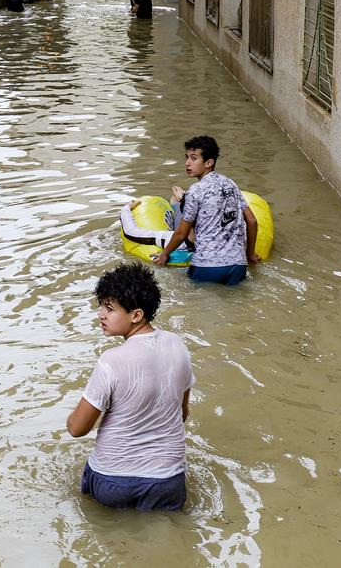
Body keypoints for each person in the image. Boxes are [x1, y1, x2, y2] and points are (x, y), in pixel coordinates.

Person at [67, 263, 194, 512]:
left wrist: (71, 418)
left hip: (113, 481)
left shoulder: (111, 360)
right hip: (168, 482)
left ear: (136, 315)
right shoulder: (178, 345)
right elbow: (182, 413)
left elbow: (78, 429)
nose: (100, 315)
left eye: (110, 309)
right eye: (102, 306)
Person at [154, 135, 260, 285]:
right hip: (238, 266)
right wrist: (250, 255)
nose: (187, 163)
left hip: (207, 266)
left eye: (193, 158)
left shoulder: (195, 191)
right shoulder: (231, 184)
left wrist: (164, 254)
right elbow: (252, 221)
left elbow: (181, 233)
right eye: (187, 157)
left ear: (209, 163)